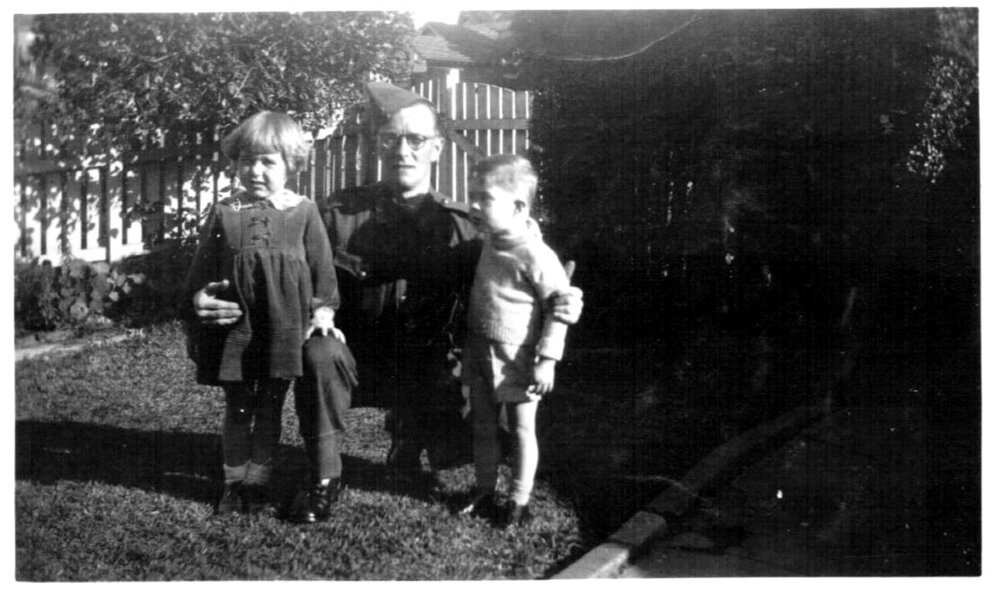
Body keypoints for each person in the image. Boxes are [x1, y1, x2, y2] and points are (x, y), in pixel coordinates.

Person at [191, 82, 582, 523]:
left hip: (430, 367)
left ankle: (415, 437)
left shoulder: (467, 227)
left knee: (488, 419)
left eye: (416, 140)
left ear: (436, 149)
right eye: (391, 139)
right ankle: (325, 477)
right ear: (377, 146)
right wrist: (198, 298)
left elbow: (524, 260)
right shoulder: (336, 214)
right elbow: (268, 270)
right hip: (355, 362)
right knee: (317, 352)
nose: (403, 151)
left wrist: (563, 299)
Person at [184, 111, 351, 516]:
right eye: (246, 160)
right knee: (238, 405)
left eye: (268, 162)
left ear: (291, 165)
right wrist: (197, 299)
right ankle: (233, 482)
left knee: (270, 405)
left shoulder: (304, 212)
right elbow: (200, 274)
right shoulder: (225, 212)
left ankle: (258, 479)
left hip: (283, 329)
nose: (255, 171)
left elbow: (323, 274)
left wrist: (323, 313)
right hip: (235, 329)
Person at [453, 155, 572, 528]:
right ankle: (485, 489)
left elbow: (562, 308)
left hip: (517, 357)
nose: (473, 205)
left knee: (521, 430)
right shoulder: (490, 241)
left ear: (519, 206)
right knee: (483, 426)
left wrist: (548, 358)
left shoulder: (536, 254)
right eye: (471, 196)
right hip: (481, 350)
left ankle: (519, 500)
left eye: (484, 198)